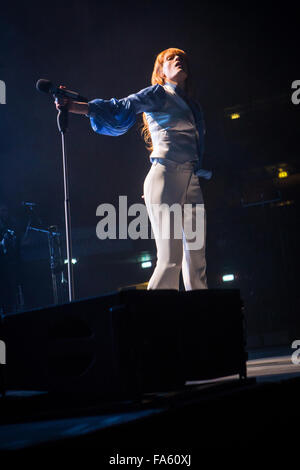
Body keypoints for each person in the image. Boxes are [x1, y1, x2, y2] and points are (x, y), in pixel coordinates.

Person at [55, 47, 211, 290]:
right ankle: (147, 323)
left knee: (197, 262)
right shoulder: (158, 94)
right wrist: (74, 106)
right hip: (167, 175)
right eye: (170, 58)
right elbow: (121, 107)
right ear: (160, 71)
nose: (178, 59)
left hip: (191, 180)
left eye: (181, 57)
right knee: (171, 260)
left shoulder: (194, 106)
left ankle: (202, 322)